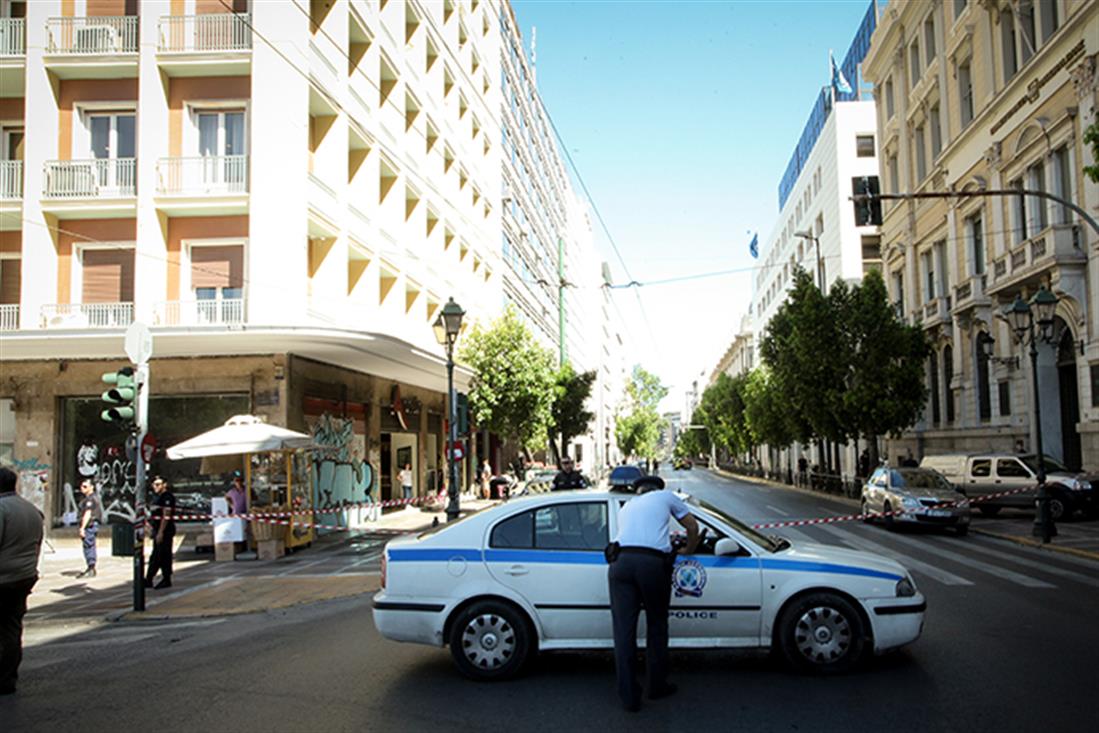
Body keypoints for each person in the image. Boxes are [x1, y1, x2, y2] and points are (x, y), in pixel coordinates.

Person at [607, 476, 699, 712]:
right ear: (658, 489)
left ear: (639, 491)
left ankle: (628, 696)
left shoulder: (627, 505)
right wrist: (688, 548)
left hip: (620, 564)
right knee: (657, 625)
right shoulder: (666, 496)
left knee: (623, 631)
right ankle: (656, 686)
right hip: (651, 565)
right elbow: (692, 526)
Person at [0, 466, 44, 695]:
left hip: (3, 577)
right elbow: (38, 543)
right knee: (12, 628)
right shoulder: (31, 510)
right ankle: (8, 677)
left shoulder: (2, 508)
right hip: (24, 576)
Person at [145, 476, 176, 589]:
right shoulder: (156, 497)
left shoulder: (167, 497)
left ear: (164, 485)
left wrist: (161, 532)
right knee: (157, 555)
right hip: (156, 529)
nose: (155, 487)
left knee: (162, 555)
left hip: (165, 531)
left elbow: (166, 515)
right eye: (154, 484)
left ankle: (163, 578)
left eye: (158, 484)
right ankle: (149, 579)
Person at [76, 479, 102, 579]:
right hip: (90, 525)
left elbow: (88, 514)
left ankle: (91, 568)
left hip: (90, 525)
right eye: (82, 486)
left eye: (85, 486)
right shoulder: (88, 498)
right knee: (89, 545)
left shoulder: (91, 499)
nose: (82, 488)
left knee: (89, 545)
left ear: (92, 487)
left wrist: (82, 528)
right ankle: (90, 567)